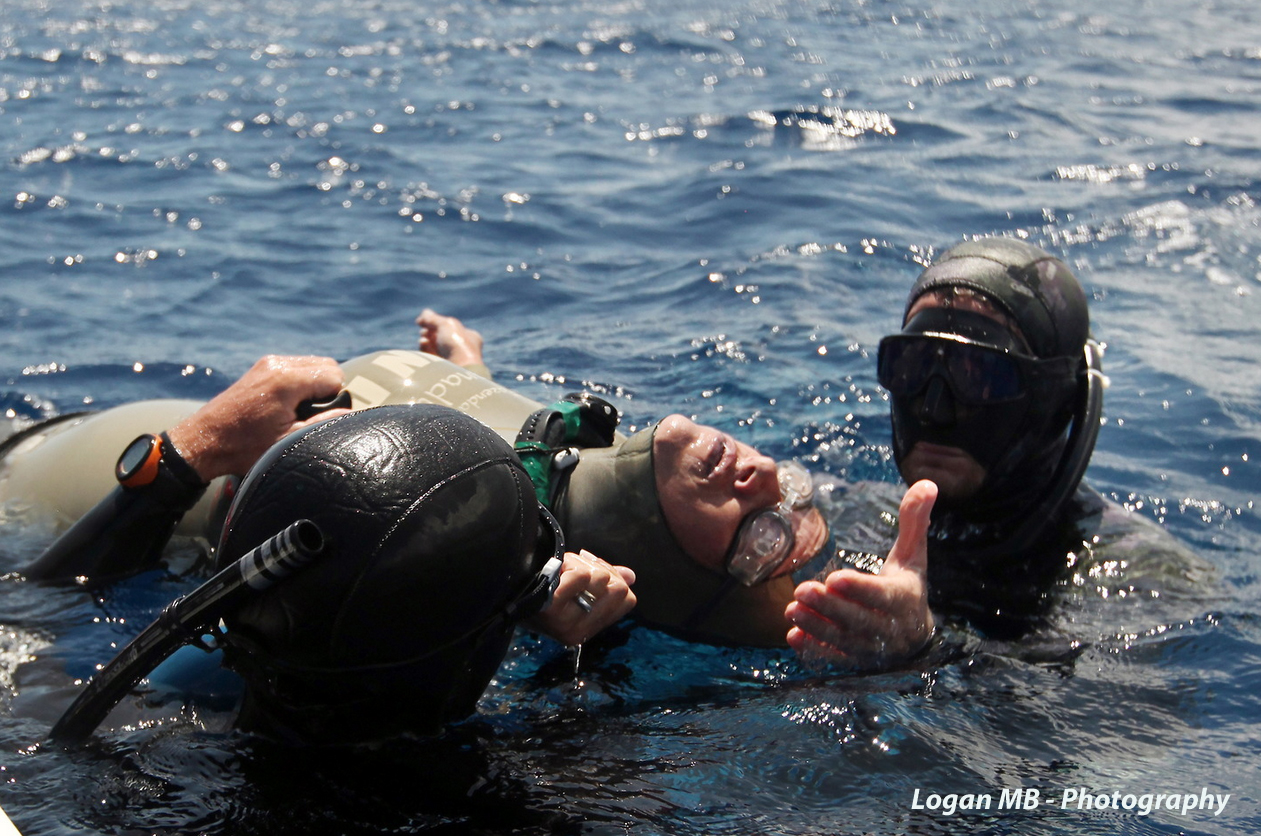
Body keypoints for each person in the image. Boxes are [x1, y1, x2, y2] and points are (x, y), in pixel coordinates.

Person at [785, 237, 1211, 670]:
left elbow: (1097, 723)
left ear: (1055, 403)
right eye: (911, 364)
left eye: (981, 375)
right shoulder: (845, 515)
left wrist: (922, 651)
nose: (934, 407)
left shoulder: (1142, 578)